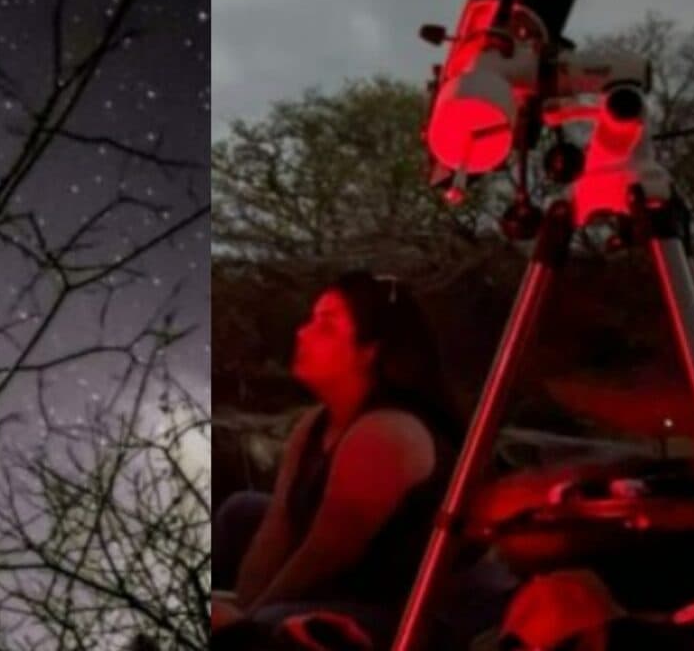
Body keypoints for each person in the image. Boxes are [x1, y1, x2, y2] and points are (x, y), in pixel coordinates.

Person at [212, 270, 501, 648]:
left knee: (274, 625)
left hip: (404, 604)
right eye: (311, 320)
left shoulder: (387, 432)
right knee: (241, 512)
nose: (303, 333)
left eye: (326, 326)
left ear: (370, 350)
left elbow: (323, 555)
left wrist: (244, 625)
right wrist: (241, 605)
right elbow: (278, 525)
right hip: (347, 580)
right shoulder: (316, 423)